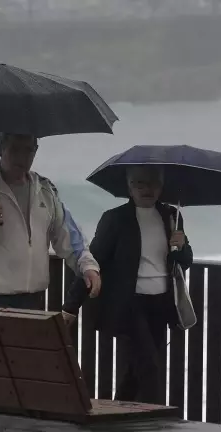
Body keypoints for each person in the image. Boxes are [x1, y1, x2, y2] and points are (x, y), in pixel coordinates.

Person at [62, 165, 192, 403]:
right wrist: (71, 305)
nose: (146, 188)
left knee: (135, 371)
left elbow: (185, 261)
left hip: (161, 304)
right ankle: (157, 427)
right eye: (139, 183)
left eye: (153, 183)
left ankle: (118, 414)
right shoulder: (115, 218)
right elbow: (94, 260)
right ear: (129, 187)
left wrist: (182, 246)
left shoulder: (172, 216)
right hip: (129, 305)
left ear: (161, 187)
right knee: (150, 367)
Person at [0, 132, 101, 309]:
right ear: (0, 148)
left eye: (29, 150)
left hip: (34, 299)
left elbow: (69, 237)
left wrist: (88, 267)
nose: (22, 157)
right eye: (15, 149)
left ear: (36, 150)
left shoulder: (46, 189)